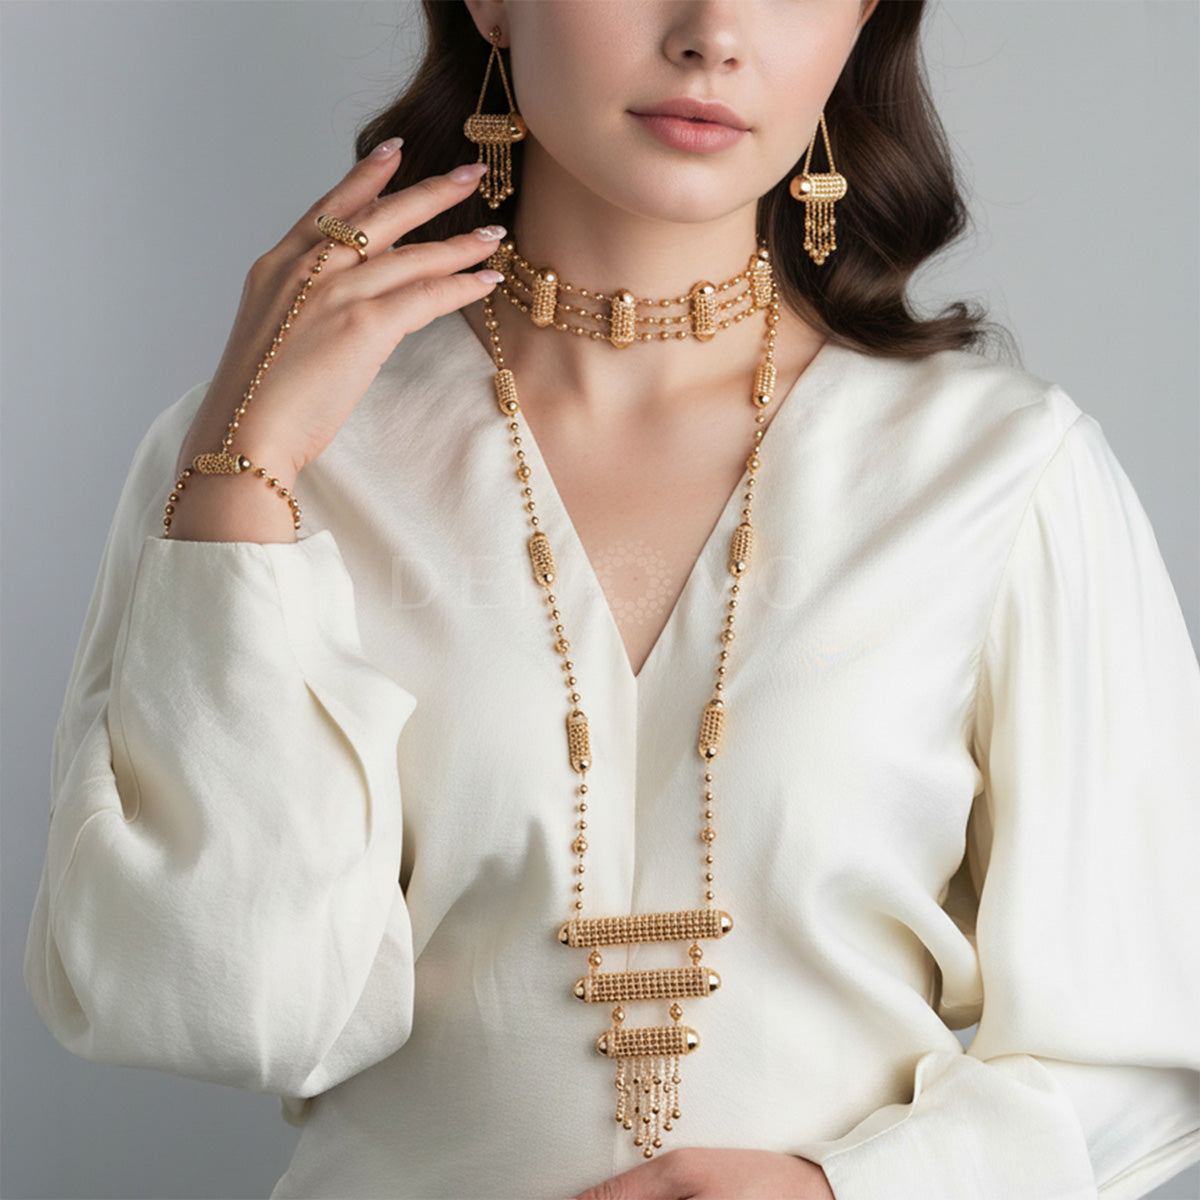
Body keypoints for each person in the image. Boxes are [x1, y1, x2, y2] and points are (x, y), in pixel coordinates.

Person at [22, 1, 1200, 1197]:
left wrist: (845, 1191)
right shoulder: (261, 460)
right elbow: (227, 1008)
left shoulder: (1000, 472)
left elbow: (1145, 1061)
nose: (712, 33)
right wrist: (242, 476)